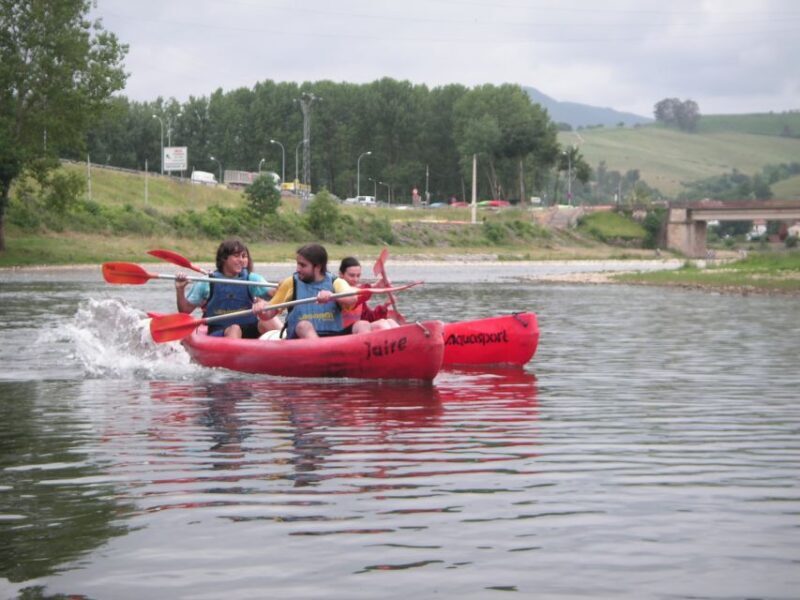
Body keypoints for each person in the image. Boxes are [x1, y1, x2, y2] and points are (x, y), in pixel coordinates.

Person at [175, 238, 282, 338]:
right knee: (234, 329)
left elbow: (274, 294)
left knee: (269, 320)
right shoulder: (207, 282)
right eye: (236, 256)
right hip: (220, 331)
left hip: (249, 327)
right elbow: (184, 311)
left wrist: (284, 288)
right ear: (223, 259)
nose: (241, 260)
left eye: (244, 256)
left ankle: (288, 345)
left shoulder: (252, 279)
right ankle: (237, 356)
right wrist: (180, 289)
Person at [255, 243, 363, 339]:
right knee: (304, 325)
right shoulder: (290, 283)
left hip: (332, 336)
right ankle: (322, 354)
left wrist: (332, 296)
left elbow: (352, 299)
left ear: (318, 267)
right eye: (298, 264)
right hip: (299, 339)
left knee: (362, 324)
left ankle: (364, 356)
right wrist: (261, 308)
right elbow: (268, 315)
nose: (297, 269)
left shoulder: (336, 282)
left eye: (303, 265)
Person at [338, 256, 399, 332]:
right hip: (340, 333)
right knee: (363, 324)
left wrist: (385, 306)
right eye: (351, 275)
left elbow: (369, 318)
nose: (355, 279)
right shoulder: (337, 291)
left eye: (358, 275)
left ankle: (402, 339)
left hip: (356, 330)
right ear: (341, 274)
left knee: (388, 321)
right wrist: (375, 286)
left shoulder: (360, 293)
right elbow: (353, 299)